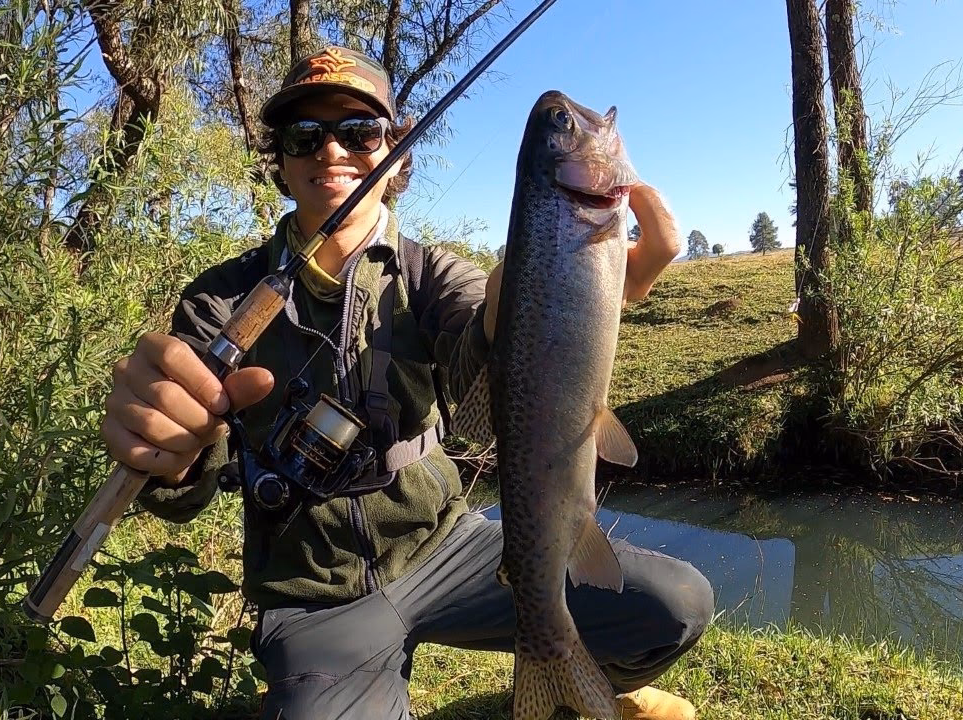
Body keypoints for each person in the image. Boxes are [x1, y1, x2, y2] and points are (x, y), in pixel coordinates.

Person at [101, 45, 714, 720]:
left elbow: (483, 350)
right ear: (279, 157)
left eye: (359, 131)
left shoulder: (434, 277)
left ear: (393, 151)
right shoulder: (219, 300)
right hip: (314, 588)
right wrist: (172, 456)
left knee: (674, 604)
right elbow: (185, 486)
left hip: (446, 545)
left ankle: (575, 686)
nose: (331, 150)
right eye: (305, 135)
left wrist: (570, 280)